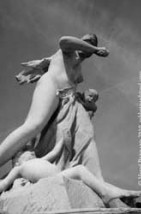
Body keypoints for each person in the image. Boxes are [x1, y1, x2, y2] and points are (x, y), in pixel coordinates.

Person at [0, 34, 109, 181]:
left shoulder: (79, 68)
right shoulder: (68, 50)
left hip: (65, 98)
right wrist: (95, 48)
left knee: (77, 133)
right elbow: (64, 40)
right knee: (34, 124)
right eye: (85, 41)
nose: (86, 44)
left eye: (90, 43)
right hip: (51, 85)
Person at [0, 142, 141, 205]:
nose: (32, 152)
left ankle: (117, 192)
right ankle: (106, 194)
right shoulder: (19, 168)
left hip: (59, 176)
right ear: (16, 161)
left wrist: (62, 136)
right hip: (54, 180)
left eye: (32, 151)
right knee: (79, 170)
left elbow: (55, 152)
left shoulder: (39, 160)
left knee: (83, 172)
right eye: (25, 152)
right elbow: (5, 182)